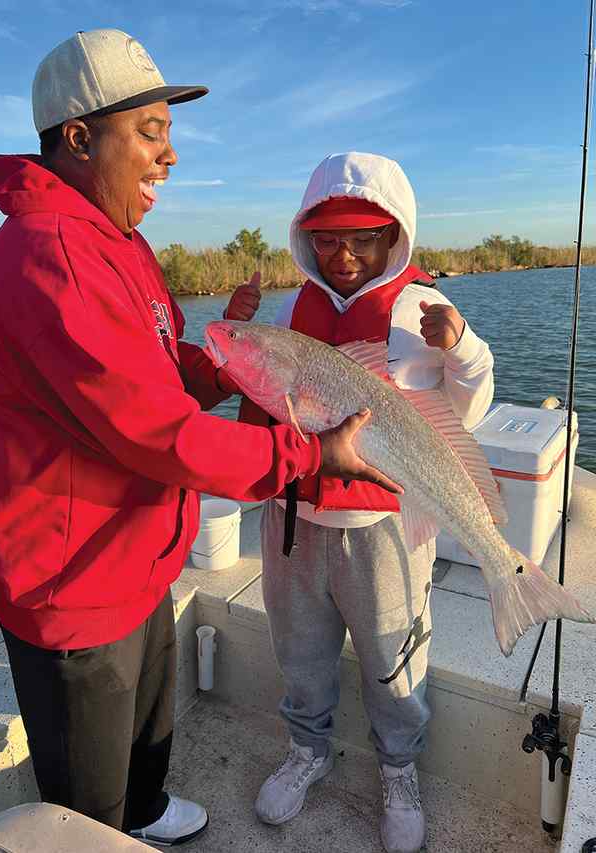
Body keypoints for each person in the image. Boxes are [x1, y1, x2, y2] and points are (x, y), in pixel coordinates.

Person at [0, 36, 400, 846]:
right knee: (85, 804)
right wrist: (308, 454)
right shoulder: (49, 259)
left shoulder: (114, 239)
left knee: (148, 723)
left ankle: (149, 806)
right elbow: (161, 435)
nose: (171, 155)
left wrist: (232, 365)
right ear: (81, 137)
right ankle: (107, 827)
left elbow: (153, 368)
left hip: (131, 553)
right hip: (72, 580)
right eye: (152, 130)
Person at [236, 152, 494, 853]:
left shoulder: (420, 307)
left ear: (393, 236)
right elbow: (261, 405)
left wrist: (464, 350)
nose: (343, 254)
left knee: (392, 655)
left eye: (362, 237)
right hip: (296, 521)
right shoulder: (293, 309)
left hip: (384, 524)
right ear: (306, 238)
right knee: (301, 648)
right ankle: (308, 751)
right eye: (326, 238)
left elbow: (462, 415)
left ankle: (398, 769)